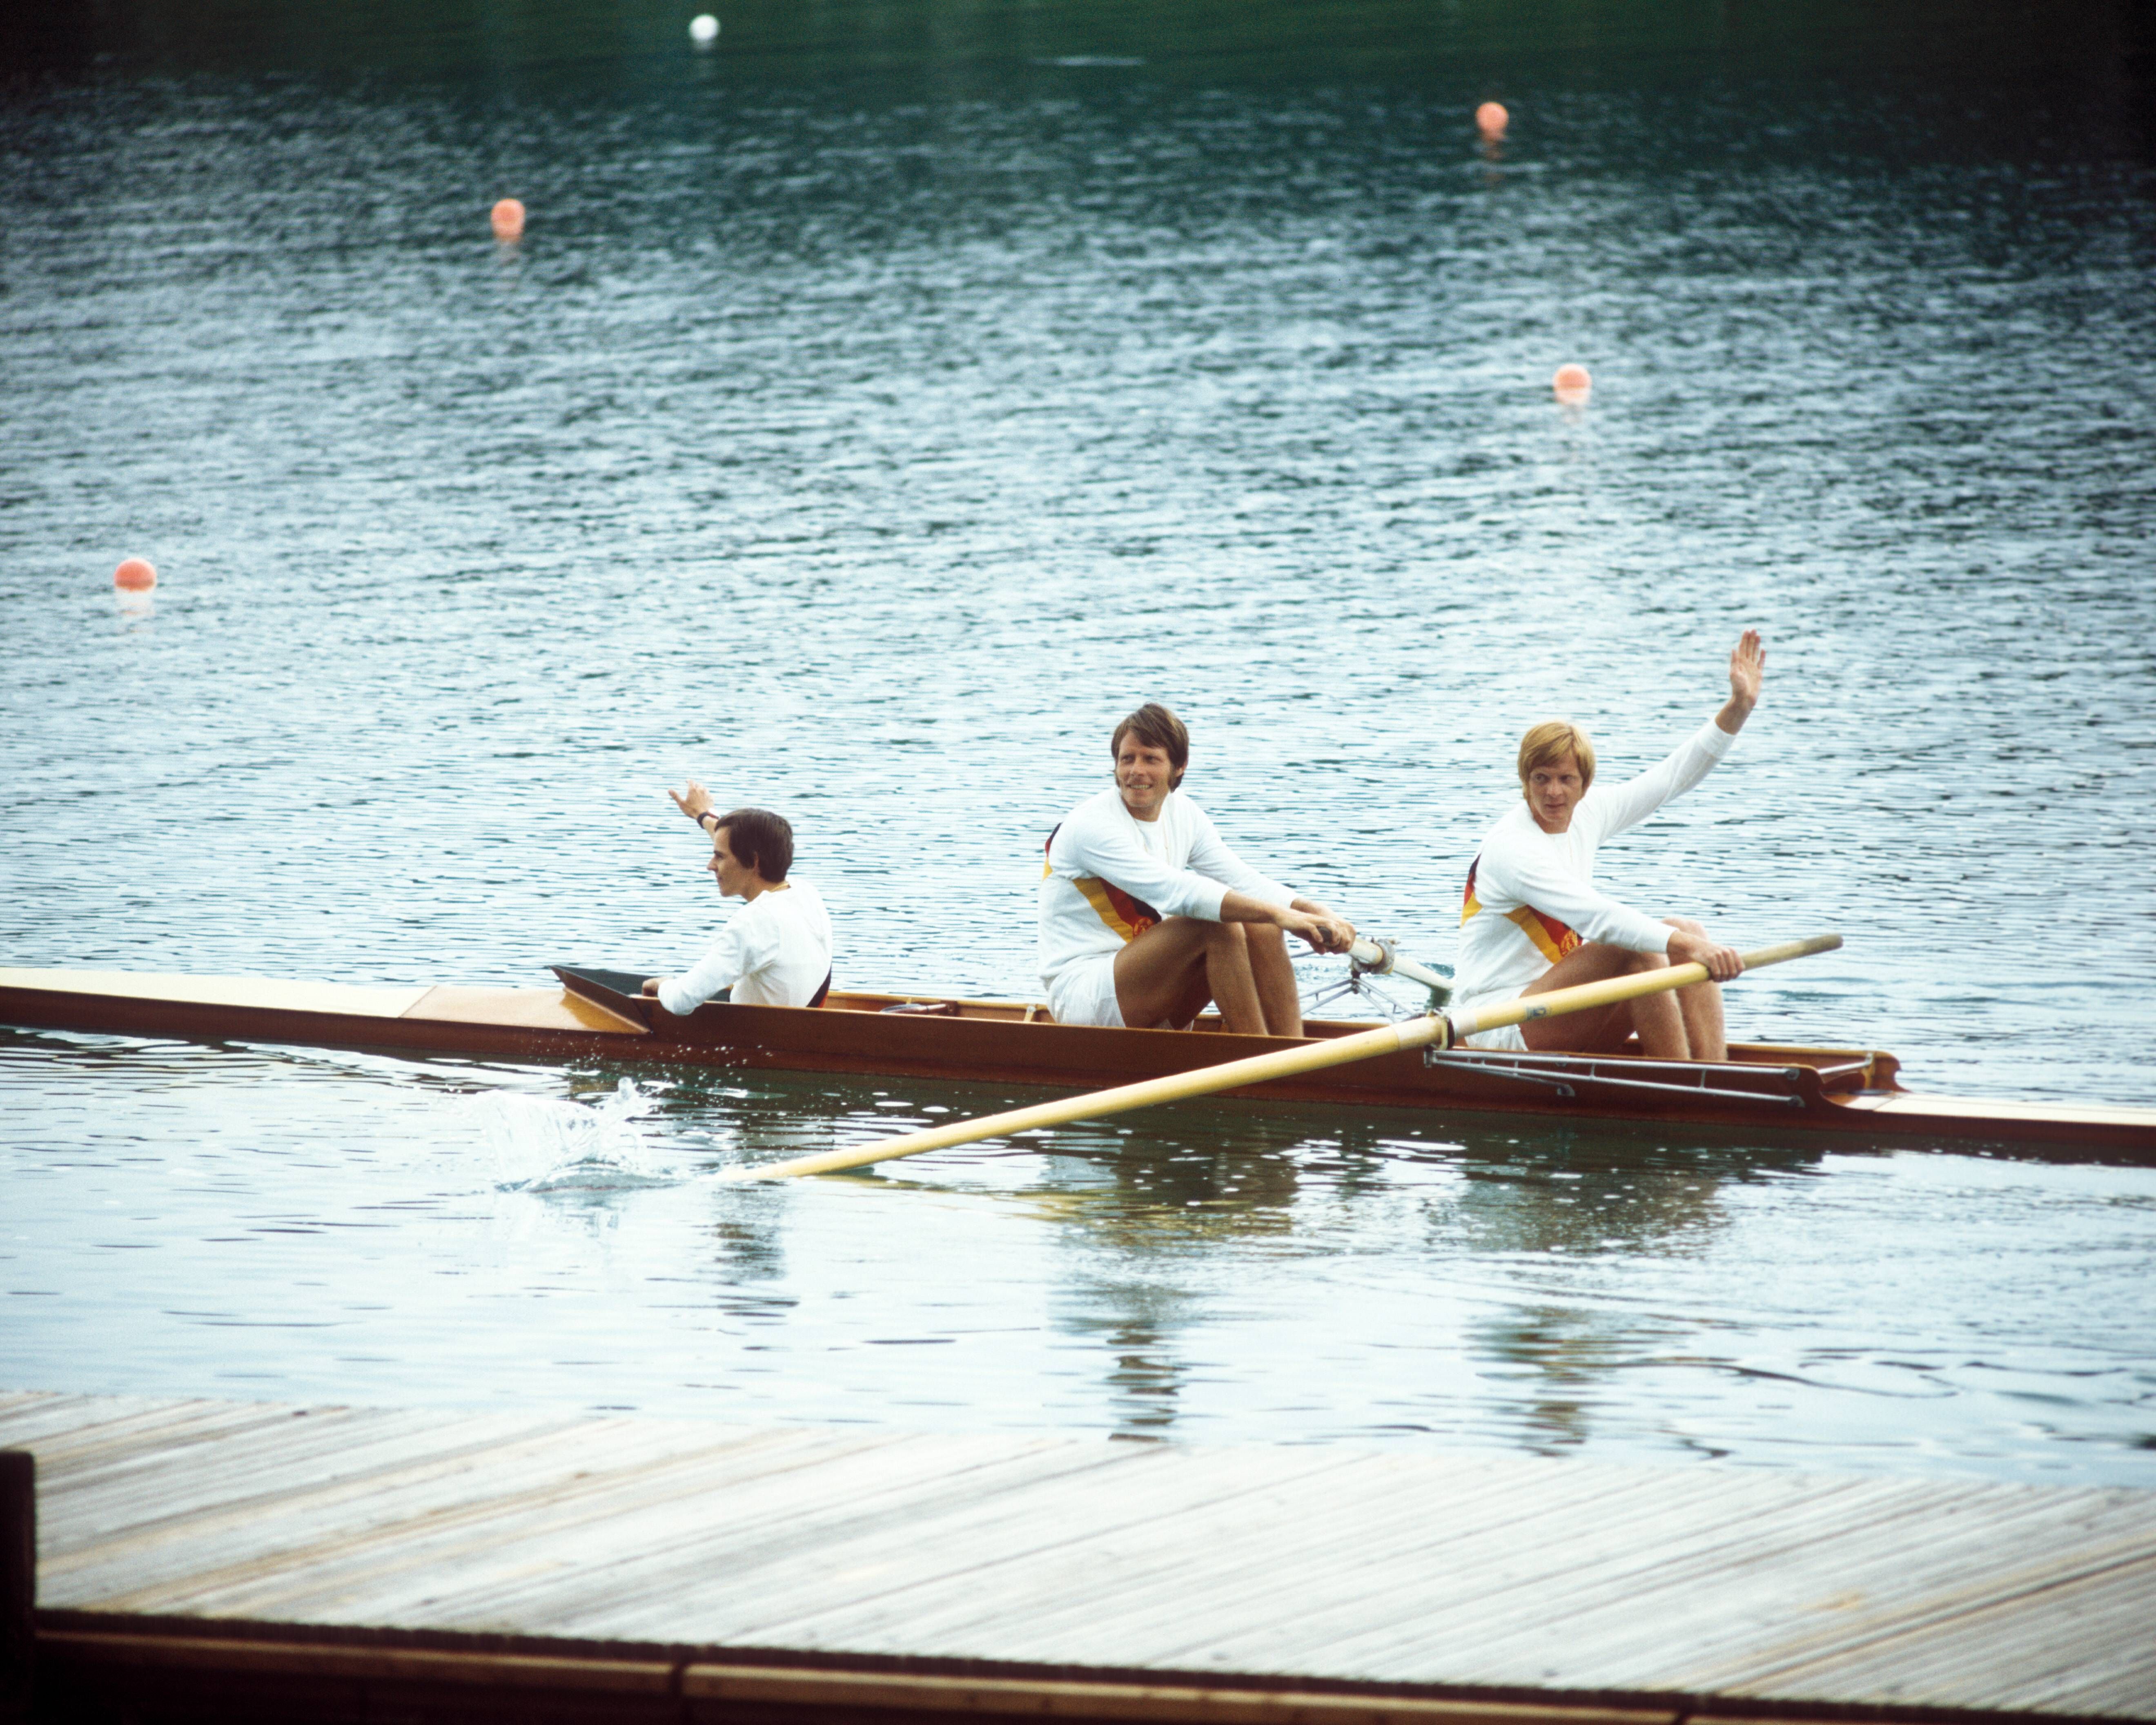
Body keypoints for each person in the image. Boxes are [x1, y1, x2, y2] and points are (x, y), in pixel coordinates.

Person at [1452, 631, 1766, 1062]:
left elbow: (1671, 778)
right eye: (1540, 779)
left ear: (1585, 784)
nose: (1554, 793)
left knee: (1687, 928)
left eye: (1566, 779)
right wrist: (1688, 950)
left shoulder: (1589, 812)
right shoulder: (1512, 849)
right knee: (1636, 945)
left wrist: (1738, 709)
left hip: (1558, 1007)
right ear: (1525, 781)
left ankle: (1715, 1072)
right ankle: (1680, 1086)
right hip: (1496, 1024)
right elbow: (1600, 919)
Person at [1039, 703, 1356, 1036]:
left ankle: (1292, 1051)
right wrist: (1281, 916)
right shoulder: (1090, 826)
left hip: (1146, 981)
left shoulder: (1184, 814)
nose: (1135, 771)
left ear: (1179, 766)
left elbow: (1242, 879)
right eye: (1127, 759)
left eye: (1151, 759)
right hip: (1084, 996)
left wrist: (1313, 911)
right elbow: (1177, 892)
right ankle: (1259, 1058)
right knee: (1216, 926)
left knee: (1258, 923)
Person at [643, 785, 832, 1013]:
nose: (710, 866)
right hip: (797, 1031)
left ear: (754, 863)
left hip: (759, 1043)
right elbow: (743, 845)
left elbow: (681, 1001)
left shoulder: (754, 923)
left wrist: (664, 986)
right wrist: (703, 815)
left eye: (719, 857)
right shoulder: (806, 893)